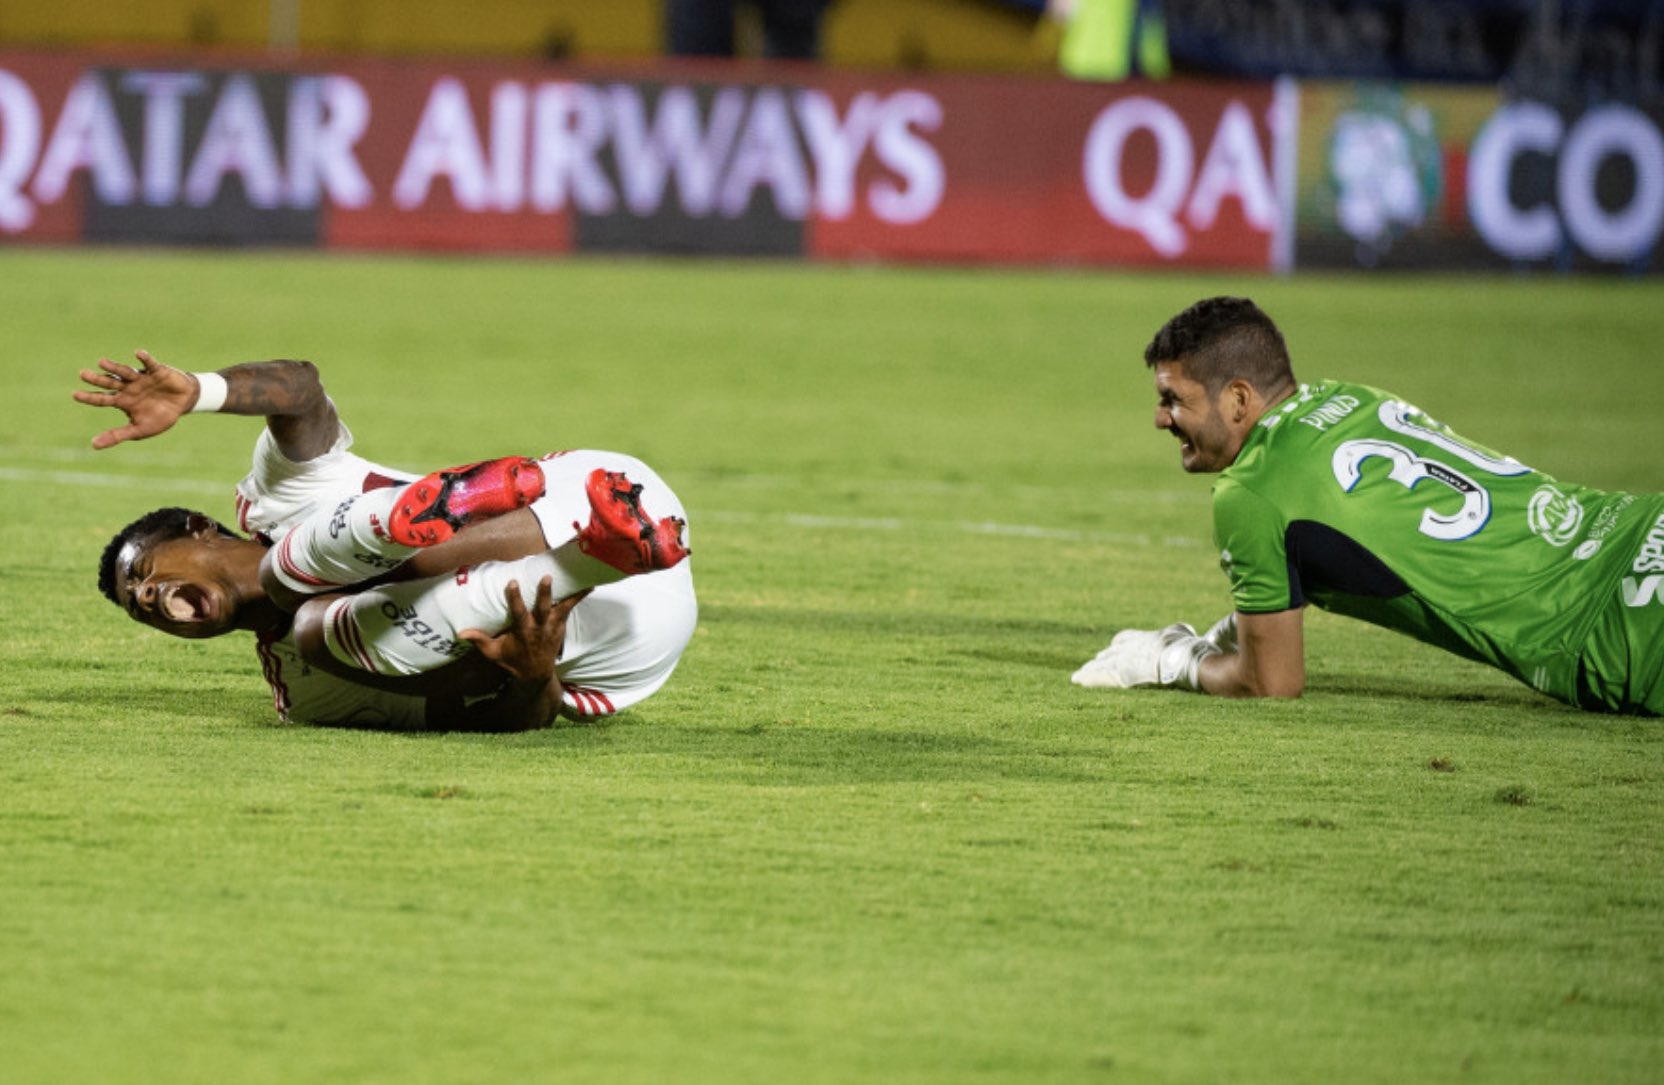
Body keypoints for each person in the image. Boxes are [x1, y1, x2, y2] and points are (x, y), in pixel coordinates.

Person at [1071, 296, 1664, 716]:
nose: (1159, 419)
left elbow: (1269, 684)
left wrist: (1170, 659)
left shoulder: (1248, 492)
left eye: (1173, 400)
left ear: (1239, 399)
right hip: (1641, 525)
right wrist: (1241, 626)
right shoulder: (1348, 398)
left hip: (1616, 629)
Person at [77, 350, 697, 731]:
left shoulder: (276, 497)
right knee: (318, 627)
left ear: (200, 529)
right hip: (628, 637)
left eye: (146, 573)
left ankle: (570, 547)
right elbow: (486, 716)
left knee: (307, 588)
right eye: (142, 608)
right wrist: (532, 674)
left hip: (595, 494)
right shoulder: (307, 695)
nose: (152, 597)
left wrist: (199, 391)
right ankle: (588, 562)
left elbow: (301, 389)